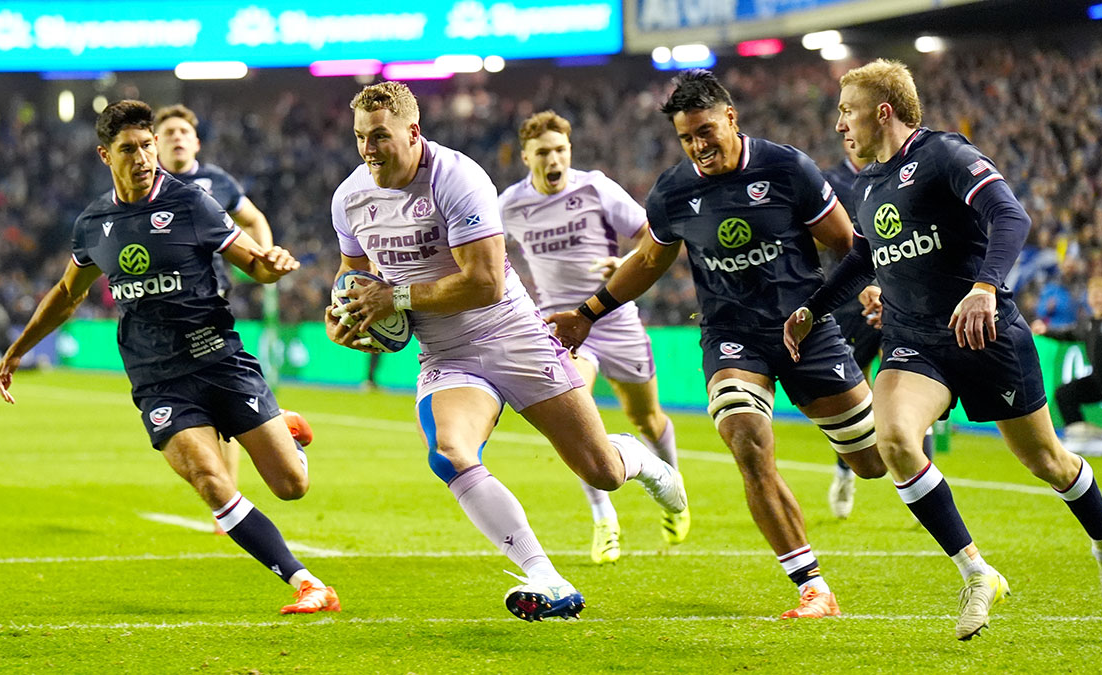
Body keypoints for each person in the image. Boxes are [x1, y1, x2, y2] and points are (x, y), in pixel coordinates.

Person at [785, 59, 1102, 639]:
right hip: (913, 342)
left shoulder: (945, 155)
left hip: (985, 335)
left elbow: (1011, 216)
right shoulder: (867, 184)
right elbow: (864, 257)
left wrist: (985, 288)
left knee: (1047, 461)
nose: (840, 124)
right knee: (895, 440)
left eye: (848, 111)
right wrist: (814, 308)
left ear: (883, 112)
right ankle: (977, 573)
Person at [326, 82, 686, 621]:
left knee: (602, 472)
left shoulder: (457, 177)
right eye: (360, 137)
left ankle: (641, 460)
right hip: (446, 354)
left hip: (514, 335)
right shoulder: (350, 198)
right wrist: (342, 317)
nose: (368, 149)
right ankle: (546, 577)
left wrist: (395, 296)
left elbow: (485, 283)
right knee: (449, 453)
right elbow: (352, 278)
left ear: (413, 132)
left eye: (379, 136)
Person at [548, 69, 886, 619]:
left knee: (872, 462)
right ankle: (813, 588)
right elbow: (649, 261)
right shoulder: (674, 191)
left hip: (808, 330)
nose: (698, 146)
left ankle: (903, 411)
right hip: (732, 338)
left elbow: (848, 243)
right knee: (746, 440)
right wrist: (587, 314)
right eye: (686, 138)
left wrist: (870, 286)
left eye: (705, 131)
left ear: (731, 118)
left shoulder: (787, 168)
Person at [0, 100, 339, 615]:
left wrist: (273, 264)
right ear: (105, 155)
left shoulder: (193, 203)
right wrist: (17, 350)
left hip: (219, 359)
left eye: (147, 146)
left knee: (292, 486)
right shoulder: (93, 223)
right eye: (128, 149)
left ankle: (282, 429)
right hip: (157, 378)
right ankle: (307, 583)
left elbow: (254, 265)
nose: (142, 158)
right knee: (211, 481)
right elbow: (67, 293)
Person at [498, 110, 689, 564]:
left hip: (615, 317)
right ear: (526, 157)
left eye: (560, 150)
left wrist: (623, 263)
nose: (553, 159)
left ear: (570, 151)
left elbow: (651, 237)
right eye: (543, 152)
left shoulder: (596, 188)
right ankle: (604, 519)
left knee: (646, 419)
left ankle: (673, 484)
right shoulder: (509, 205)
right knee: (577, 420)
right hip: (562, 327)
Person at [153, 105, 312, 534]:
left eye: (184, 131)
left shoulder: (217, 182)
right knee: (201, 410)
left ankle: (228, 500)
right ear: (155, 143)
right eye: (169, 132)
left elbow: (253, 217)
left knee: (213, 402)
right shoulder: (146, 186)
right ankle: (273, 426)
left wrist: (264, 259)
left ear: (196, 141)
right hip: (162, 315)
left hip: (209, 304)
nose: (177, 138)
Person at [821, 145, 936, 519]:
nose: (851, 135)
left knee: (913, 382)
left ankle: (924, 486)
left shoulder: (902, 174)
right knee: (853, 392)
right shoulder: (829, 181)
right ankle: (845, 473)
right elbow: (823, 239)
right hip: (850, 303)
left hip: (901, 296)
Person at [1031, 275, 1102, 433]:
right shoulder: (1089, 323)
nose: (1099, 299)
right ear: (1088, 298)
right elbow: (1070, 333)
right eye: (1095, 294)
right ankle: (1080, 435)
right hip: (1100, 381)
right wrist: (1046, 331)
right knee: (1065, 394)